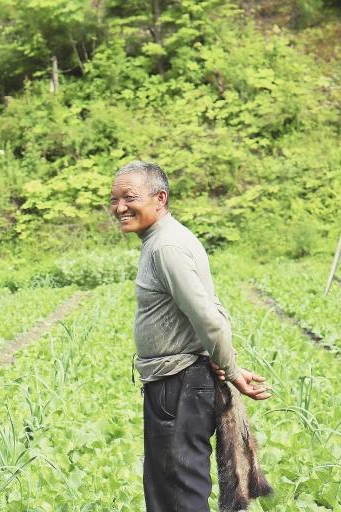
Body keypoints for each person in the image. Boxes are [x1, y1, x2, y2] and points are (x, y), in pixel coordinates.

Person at [109, 161, 271, 512]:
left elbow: (209, 318)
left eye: (130, 197)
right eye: (115, 199)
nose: (119, 207)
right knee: (171, 489)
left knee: (178, 494)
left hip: (178, 384)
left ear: (160, 198)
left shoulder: (166, 247)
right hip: (178, 383)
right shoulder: (165, 239)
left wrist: (232, 372)